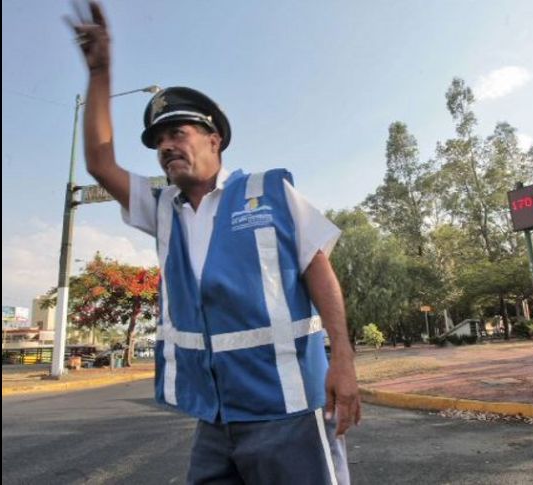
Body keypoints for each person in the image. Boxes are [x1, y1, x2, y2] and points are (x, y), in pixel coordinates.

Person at [66, 2, 360, 484]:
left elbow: (318, 269)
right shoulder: (162, 208)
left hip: (287, 407)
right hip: (216, 418)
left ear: (214, 140)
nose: (165, 147)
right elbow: (100, 162)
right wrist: (100, 72)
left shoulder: (269, 193)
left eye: (176, 133)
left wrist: (343, 360)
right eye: (159, 141)